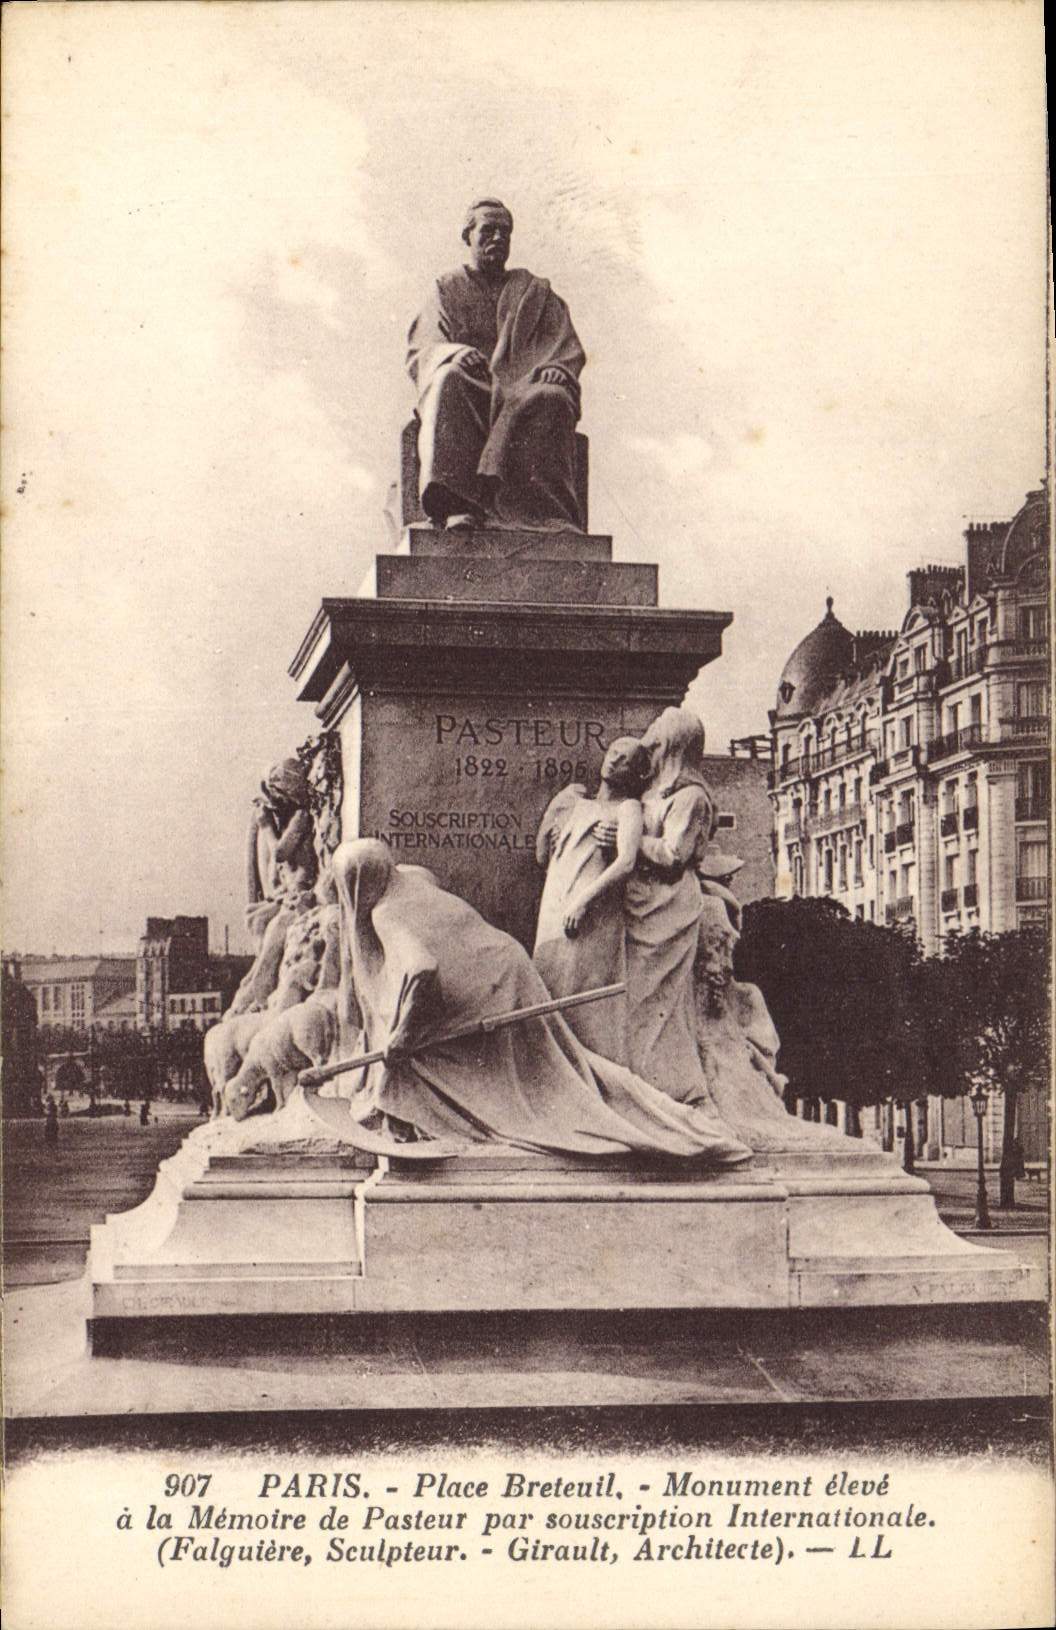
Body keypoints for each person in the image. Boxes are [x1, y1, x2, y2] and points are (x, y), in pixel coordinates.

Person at [324, 839, 750, 1164]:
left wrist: (400, 1036)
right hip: (507, 963)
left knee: (429, 1058)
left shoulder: (384, 914)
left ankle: (402, 1115)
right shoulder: (411, 877)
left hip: (484, 993)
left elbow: (420, 969)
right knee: (561, 1065)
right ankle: (669, 1115)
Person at [407, 199, 586, 531]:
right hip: (472, 384)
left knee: (554, 397)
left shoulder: (534, 291)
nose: (498, 238)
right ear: (468, 235)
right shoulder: (446, 288)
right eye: (488, 230)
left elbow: (564, 347)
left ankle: (544, 515)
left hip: (523, 386)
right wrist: (455, 354)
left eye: (505, 232)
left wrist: (557, 368)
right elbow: (424, 346)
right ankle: (457, 506)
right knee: (448, 378)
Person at [592, 708, 718, 1104]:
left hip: (669, 907)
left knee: (658, 1004)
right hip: (642, 903)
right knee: (636, 1003)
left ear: (671, 749)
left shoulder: (691, 797)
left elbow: (674, 854)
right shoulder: (651, 794)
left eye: (655, 744)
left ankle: (668, 1091)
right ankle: (640, 1086)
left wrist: (625, 842)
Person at [533, 738, 652, 1057]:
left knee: (582, 1001)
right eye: (613, 753)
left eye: (625, 759)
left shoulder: (628, 808)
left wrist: (584, 900)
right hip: (555, 904)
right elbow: (544, 856)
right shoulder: (575, 801)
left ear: (635, 772)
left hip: (590, 914)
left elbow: (626, 862)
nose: (614, 761)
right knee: (547, 987)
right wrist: (552, 818)